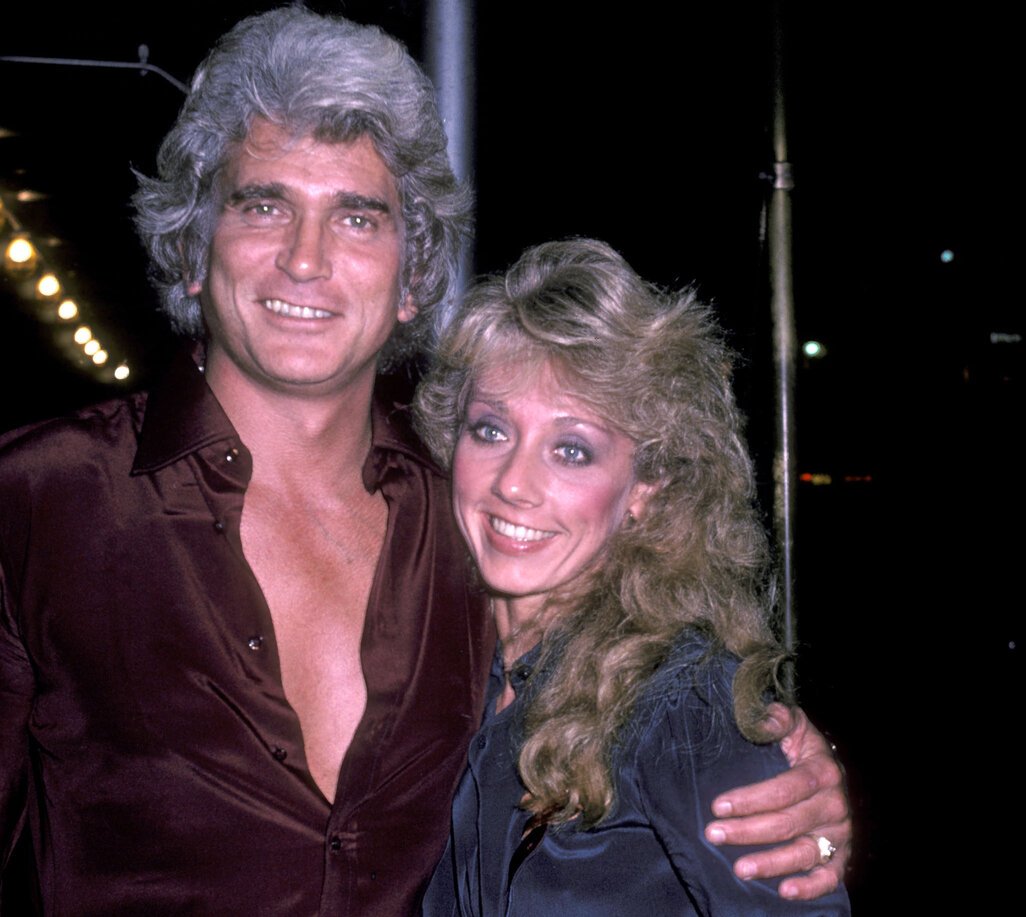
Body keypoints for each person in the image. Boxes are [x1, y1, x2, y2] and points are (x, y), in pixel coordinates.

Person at [0, 7, 849, 915]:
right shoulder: (36, 501)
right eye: (263, 203)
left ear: (412, 280)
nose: (305, 258)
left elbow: (650, 690)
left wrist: (787, 780)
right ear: (195, 248)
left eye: (358, 217)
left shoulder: (468, 523)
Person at [414, 238, 851, 915]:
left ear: (647, 483)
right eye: (492, 431)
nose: (513, 484)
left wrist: (820, 836)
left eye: (571, 448)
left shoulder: (685, 707)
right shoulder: (444, 664)